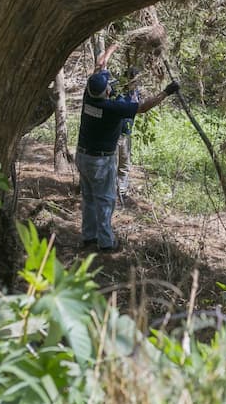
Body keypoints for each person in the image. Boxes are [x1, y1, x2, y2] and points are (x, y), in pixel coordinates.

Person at [76, 51, 179, 253]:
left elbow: (99, 67)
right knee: (105, 200)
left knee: (88, 198)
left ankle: (89, 238)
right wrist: (167, 91)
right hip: (100, 162)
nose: (110, 85)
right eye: (108, 85)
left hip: (82, 156)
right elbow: (142, 107)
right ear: (106, 92)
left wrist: (113, 48)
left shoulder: (88, 98)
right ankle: (106, 244)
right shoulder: (112, 108)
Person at [117, 66, 140, 199]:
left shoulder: (136, 93)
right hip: (115, 133)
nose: (135, 82)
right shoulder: (120, 93)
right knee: (113, 164)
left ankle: (122, 191)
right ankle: (112, 190)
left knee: (124, 163)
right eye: (133, 79)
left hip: (127, 133)